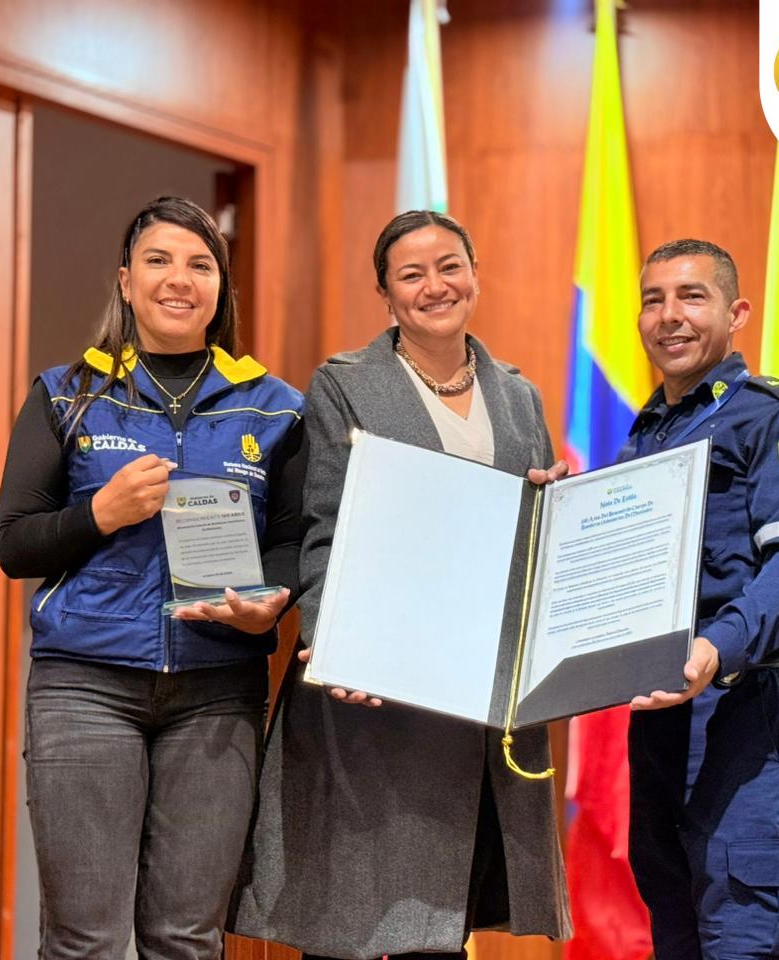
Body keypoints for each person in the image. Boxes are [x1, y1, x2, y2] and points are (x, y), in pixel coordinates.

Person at [230, 210, 573, 959]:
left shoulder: (519, 396)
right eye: (411, 275)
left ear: (474, 274)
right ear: (386, 293)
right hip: (376, 689)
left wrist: (556, 503)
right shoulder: (346, 384)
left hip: (476, 693)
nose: (435, 286)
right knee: (347, 915)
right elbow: (324, 521)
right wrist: (336, 643)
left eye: (449, 266)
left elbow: (537, 531)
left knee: (440, 923)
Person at [0, 196, 304, 960]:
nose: (180, 279)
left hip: (219, 692)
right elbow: (13, 544)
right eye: (159, 261)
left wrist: (271, 605)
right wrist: (99, 512)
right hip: (84, 685)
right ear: (126, 281)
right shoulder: (66, 393)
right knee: (85, 940)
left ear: (221, 289)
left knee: (187, 938)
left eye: (201, 264)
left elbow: (299, 543)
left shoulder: (278, 408)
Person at [621, 239, 779, 960]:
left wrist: (717, 647)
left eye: (691, 296)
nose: (669, 316)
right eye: (654, 300)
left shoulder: (778, 418)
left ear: (736, 311)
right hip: (657, 724)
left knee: (746, 938)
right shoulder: (642, 437)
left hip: (744, 719)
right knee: (675, 935)